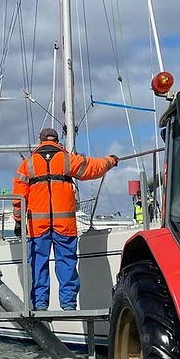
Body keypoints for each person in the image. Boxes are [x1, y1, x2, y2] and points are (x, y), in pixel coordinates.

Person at [12, 126, 118, 311]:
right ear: (56, 141)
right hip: (65, 225)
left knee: (38, 264)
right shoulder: (67, 160)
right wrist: (111, 160)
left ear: (41, 140)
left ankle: (40, 305)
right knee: (67, 263)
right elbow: (93, 168)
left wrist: (19, 221)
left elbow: (18, 197)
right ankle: (68, 305)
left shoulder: (27, 164)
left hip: (37, 226)